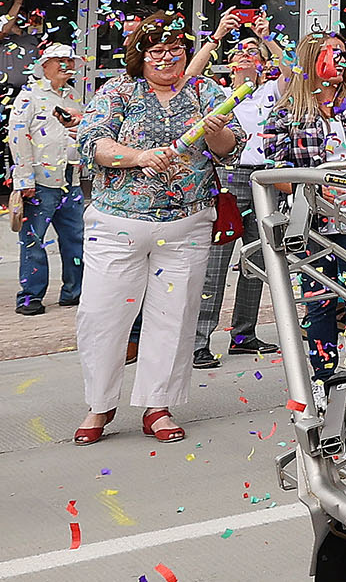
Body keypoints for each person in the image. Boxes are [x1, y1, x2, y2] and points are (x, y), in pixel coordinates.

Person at [74, 25, 241, 445]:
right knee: (101, 315)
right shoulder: (119, 91)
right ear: (140, 55)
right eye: (158, 51)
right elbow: (91, 143)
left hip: (187, 223)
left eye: (176, 49)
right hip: (117, 224)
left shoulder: (205, 90)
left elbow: (230, 148)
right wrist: (137, 157)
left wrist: (216, 128)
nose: (168, 58)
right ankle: (99, 404)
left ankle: (158, 406)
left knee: (175, 316)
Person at [257, 32, 346, 379]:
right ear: (311, 61)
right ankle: (324, 377)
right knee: (319, 301)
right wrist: (310, 190)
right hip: (312, 222)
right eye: (331, 54)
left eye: (343, 53)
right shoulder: (286, 112)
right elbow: (275, 169)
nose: (340, 60)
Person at [193, 33, 281, 364]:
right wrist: (215, 39)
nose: (244, 57)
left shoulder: (272, 91)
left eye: (251, 53)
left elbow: (293, 74)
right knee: (215, 262)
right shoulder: (218, 93)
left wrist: (268, 38)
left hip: (265, 179)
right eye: (239, 52)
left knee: (257, 259)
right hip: (228, 176)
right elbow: (191, 76)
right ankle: (199, 339)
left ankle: (244, 334)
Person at [12, 42, 89, 315]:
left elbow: (83, 129)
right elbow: (18, 138)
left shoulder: (73, 96)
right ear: (44, 66)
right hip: (40, 181)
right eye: (60, 61)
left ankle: (74, 292)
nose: (66, 67)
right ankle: (30, 296)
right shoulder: (29, 96)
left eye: (70, 62)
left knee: (75, 238)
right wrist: (24, 179)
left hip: (71, 177)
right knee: (33, 240)